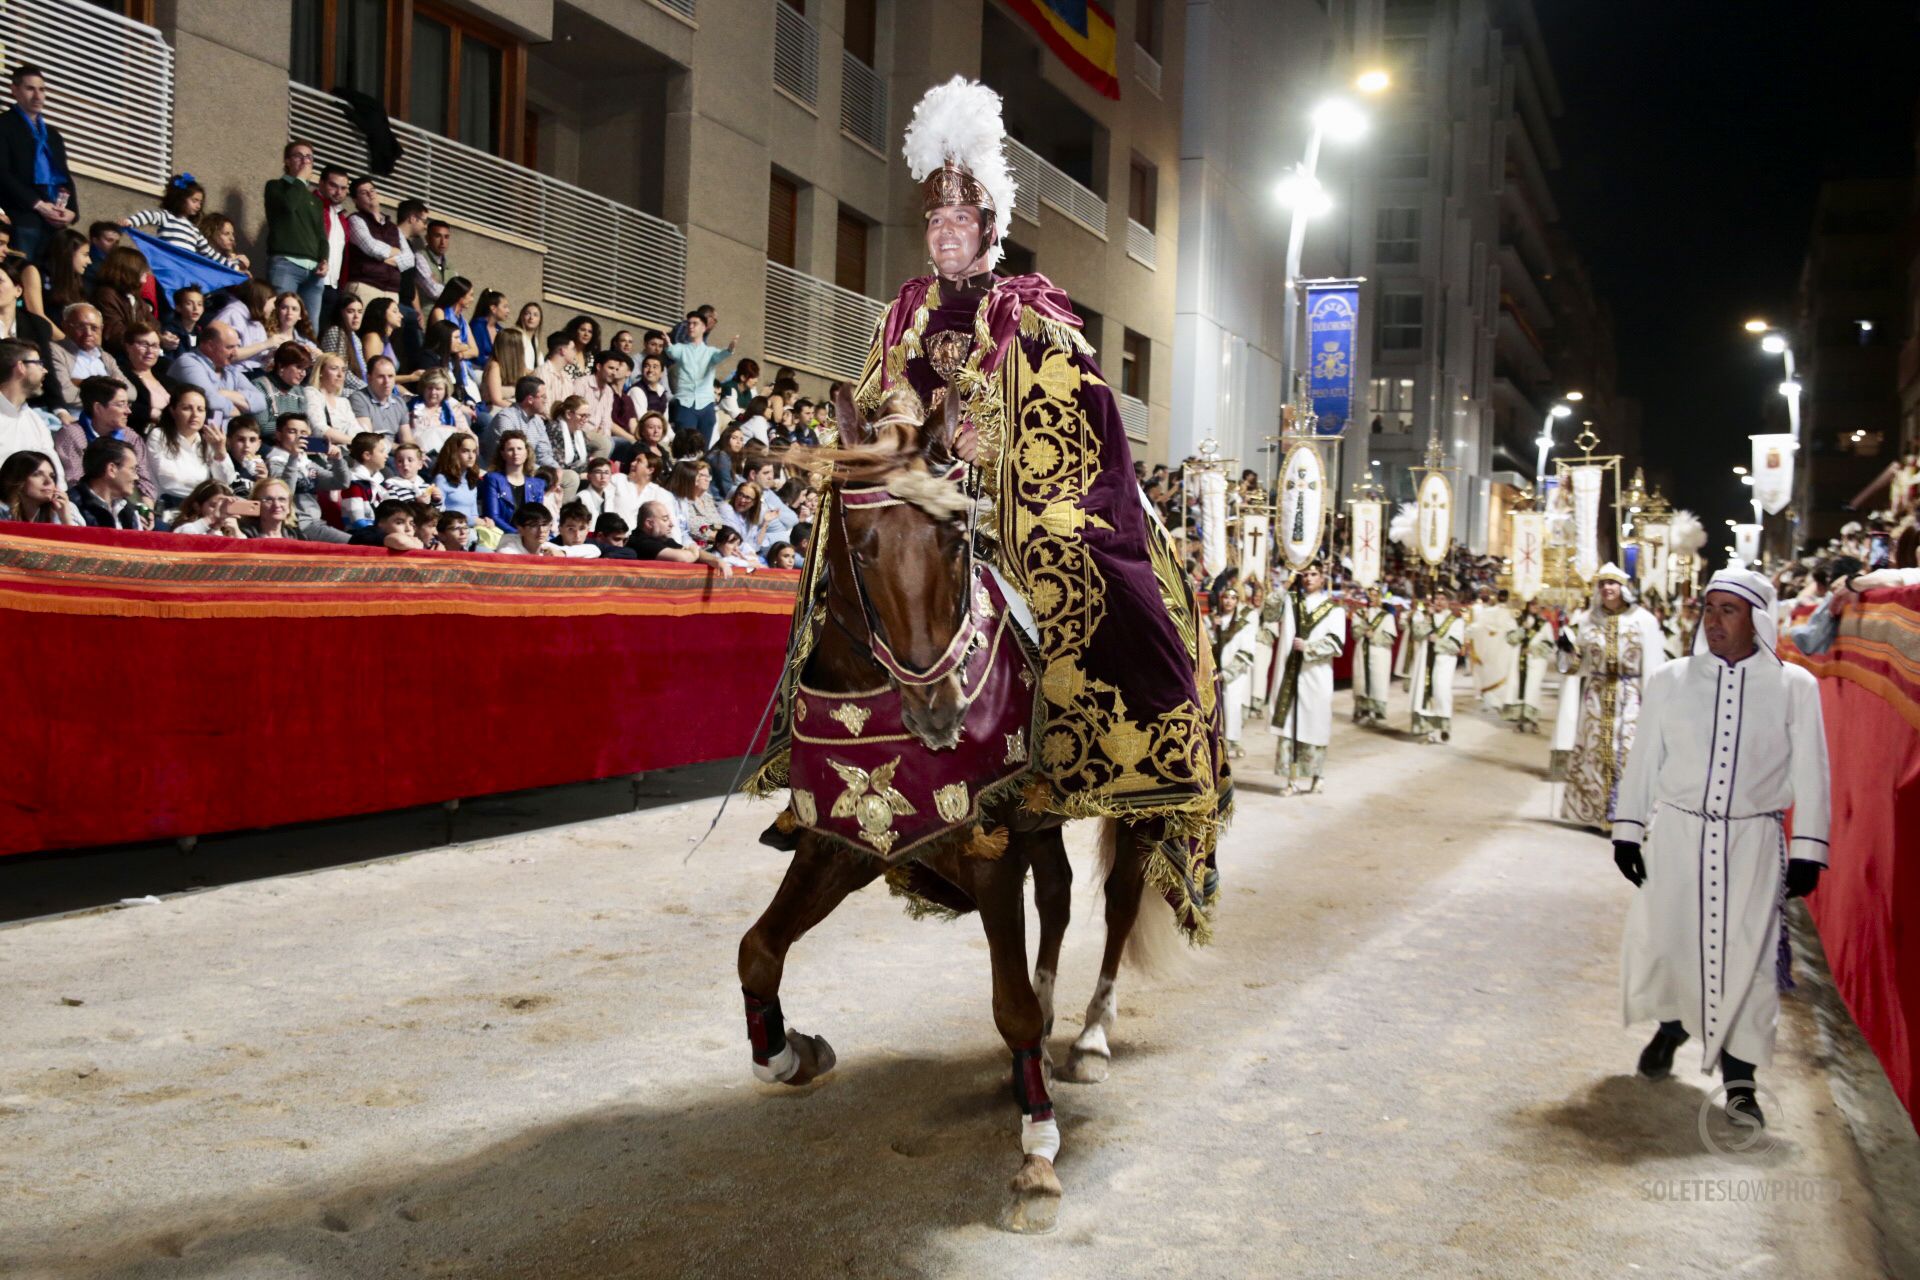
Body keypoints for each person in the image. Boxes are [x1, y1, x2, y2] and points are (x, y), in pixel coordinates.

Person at [1612, 567, 1830, 1130]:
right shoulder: (1669, 680)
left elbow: (1813, 772)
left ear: (1758, 620)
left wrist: (1808, 848)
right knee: (1673, 945)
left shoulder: (1794, 687)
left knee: (1749, 962)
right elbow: (1644, 762)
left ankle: (1740, 1083)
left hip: (1752, 844)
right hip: (1679, 837)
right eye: (1708, 609)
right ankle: (1671, 1030)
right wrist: (1629, 830)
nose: (1713, 621)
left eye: (1728, 611)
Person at [1562, 564, 1668, 832]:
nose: (1607, 588)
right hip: (1597, 694)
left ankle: (1630, 816)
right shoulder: (1587, 619)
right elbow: (1577, 666)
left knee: (1629, 752)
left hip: (1631, 693)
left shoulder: (1644, 620)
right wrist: (1567, 649)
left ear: (1623, 587)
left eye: (1613, 583)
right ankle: (1597, 812)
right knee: (1596, 751)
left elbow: (1654, 665)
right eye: (1603, 583)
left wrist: (1654, 703)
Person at [1269, 563, 1347, 793]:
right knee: (1292, 726)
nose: (1308, 578)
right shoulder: (1291, 602)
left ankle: (1317, 775)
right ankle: (1291, 779)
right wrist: (1287, 581)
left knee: (1315, 724)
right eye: (1305, 575)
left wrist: (1309, 647)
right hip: (1291, 674)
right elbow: (1270, 611)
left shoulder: (1334, 610)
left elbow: (1336, 643)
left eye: (1314, 574)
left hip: (1317, 675)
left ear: (1323, 579)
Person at [0, 66, 77, 266]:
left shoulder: (53, 135)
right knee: (22, 271)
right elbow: (2, 173)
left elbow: (65, 176)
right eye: (30, 89)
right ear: (14, 90)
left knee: (52, 279)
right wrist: (38, 205)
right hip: (23, 215)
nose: (37, 96)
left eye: (42, 90)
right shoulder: (5, 125)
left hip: (54, 220)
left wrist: (72, 211)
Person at [52, 374, 156, 503]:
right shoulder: (72, 435)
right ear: (98, 408)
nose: (128, 411)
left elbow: (144, 481)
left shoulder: (131, 437)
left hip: (128, 506)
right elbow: (75, 482)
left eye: (128, 404)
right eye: (120, 404)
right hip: (87, 507)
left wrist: (146, 512)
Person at [121, 173, 246, 270]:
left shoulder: (194, 230)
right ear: (181, 199)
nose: (198, 206)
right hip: (168, 266)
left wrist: (233, 265)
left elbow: (210, 254)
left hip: (185, 271)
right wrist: (131, 222)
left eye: (200, 203)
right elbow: (148, 215)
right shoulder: (166, 217)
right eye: (194, 200)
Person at [146, 386, 233, 520]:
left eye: (200, 409)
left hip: (200, 510)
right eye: (187, 408)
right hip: (168, 509)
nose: (195, 414)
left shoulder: (208, 442)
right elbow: (170, 478)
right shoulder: (159, 435)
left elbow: (224, 482)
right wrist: (200, 488)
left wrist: (220, 451)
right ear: (173, 411)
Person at [663, 309, 736, 443]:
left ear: (704, 327)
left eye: (695, 323)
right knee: (685, 447)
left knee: (703, 450)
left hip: (706, 404)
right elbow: (672, 352)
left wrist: (729, 350)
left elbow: (719, 356)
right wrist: (667, 345)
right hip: (685, 403)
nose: (690, 327)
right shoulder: (681, 348)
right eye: (688, 324)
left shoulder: (710, 352)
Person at [0, 336, 63, 486]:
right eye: (39, 363)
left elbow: (57, 478)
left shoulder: (35, 421)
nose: (45, 370)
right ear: (21, 367)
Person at [341, 176, 413, 307]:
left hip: (391, 291)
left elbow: (410, 259)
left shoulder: (393, 227)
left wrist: (385, 259)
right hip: (365, 286)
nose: (370, 194)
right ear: (355, 200)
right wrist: (396, 252)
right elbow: (371, 247)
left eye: (372, 190)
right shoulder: (355, 220)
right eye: (364, 192)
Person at [1207, 580, 1258, 758]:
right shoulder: (1215, 619)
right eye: (1226, 597)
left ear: (1237, 601)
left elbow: (1246, 650)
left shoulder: (1243, 623)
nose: (1228, 601)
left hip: (1234, 673)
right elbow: (1208, 645)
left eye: (1232, 598)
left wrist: (1227, 673)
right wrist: (1214, 628)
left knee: (1232, 705)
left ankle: (1233, 742)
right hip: (1216, 671)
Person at [1409, 587, 1465, 745]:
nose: (1439, 602)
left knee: (1441, 691)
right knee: (1425, 694)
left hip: (1444, 661)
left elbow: (1455, 646)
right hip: (1426, 661)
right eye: (1437, 599)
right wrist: (1428, 617)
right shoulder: (1428, 617)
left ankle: (1444, 726)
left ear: (1448, 602)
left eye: (1442, 599)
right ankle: (1429, 731)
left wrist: (1437, 641)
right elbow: (1417, 633)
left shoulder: (1456, 621)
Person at [48, 303, 124, 420]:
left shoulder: (105, 356)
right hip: (75, 421)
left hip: (109, 423)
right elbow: (66, 395)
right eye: (81, 327)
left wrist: (81, 383)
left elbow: (131, 392)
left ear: (101, 329)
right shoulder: (55, 350)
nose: (88, 333)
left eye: (94, 328)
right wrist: (110, 396)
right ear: (65, 326)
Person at [88, 244, 157, 353]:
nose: (145, 279)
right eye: (142, 272)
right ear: (129, 271)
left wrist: (163, 337)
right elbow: (115, 334)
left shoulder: (135, 298)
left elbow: (154, 324)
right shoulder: (107, 295)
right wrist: (146, 340)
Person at [1501, 599, 1556, 733]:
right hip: (1517, 660)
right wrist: (1522, 630)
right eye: (1532, 604)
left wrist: (1534, 650)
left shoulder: (1544, 624)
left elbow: (1550, 645)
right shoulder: (1516, 621)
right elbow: (1509, 639)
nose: (1535, 607)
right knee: (1518, 689)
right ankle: (1519, 721)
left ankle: (1533, 721)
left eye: (1537, 604)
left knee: (1533, 689)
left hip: (1536, 661)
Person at [68, 435, 145, 529]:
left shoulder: (129, 511)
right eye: (132, 469)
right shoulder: (71, 507)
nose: (136, 477)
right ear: (112, 469)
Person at [633, 499, 729, 573]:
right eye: (665, 519)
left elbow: (695, 554)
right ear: (649, 524)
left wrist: (716, 560)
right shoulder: (640, 541)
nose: (671, 524)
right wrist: (694, 548)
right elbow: (685, 558)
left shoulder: (663, 539)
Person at [1350, 587, 1397, 726]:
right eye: (1370, 595)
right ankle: (1362, 709)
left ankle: (1376, 711)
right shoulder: (1359, 614)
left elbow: (1390, 638)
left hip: (1379, 653)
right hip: (1362, 650)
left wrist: (1374, 636)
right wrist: (1364, 630)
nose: (1372, 598)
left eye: (1376, 595)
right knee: (1361, 680)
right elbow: (1354, 633)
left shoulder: (1387, 616)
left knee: (1377, 680)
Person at [479, 430, 545, 527]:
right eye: (510, 449)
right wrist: (518, 534)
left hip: (529, 535)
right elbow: (493, 516)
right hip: (504, 535)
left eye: (519, 448)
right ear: (503, 454)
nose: (515, 453)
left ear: (526, 452)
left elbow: (538, 517)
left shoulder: (538, 484)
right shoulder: (492, 479)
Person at [0, 448, 76, 523]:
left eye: (52, 476)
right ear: (16, 478)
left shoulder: (61, 510)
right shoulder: (2, 513)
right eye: (37, 474)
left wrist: (65, 519)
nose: (49, 481)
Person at [430, 431, 484, 525]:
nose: (471, 456)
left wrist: (485, 523)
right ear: (453, 453)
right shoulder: (441, 479)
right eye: (465, 451)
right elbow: (439, 514)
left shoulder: (471, 480)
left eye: (474, 451)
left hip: (469, 531)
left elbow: (474, 514)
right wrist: (474, 521)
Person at [339, 431, 390, 528]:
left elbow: (393, 509)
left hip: (377, 530)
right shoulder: (354, 483)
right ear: (367, 455)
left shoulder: (379, 481)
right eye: (382, 451)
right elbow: (357, 521)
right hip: (360, 535)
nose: (386, 455)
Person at [350, 354, 408, 440]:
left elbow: (407, 439)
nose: (387, 381)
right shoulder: (359, 399)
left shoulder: (399, 402)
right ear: (369, 378)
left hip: (396, 452)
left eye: (390, 376)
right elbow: (368, 440)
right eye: (381, 376)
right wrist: (398, 449)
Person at [668, 457, 722, 545]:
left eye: (708, 476)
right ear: (691, 476)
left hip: (716, 542)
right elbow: (693, 527)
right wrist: (719, 537)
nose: (706, 479)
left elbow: (718, 523)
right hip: (697, 544)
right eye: (702, 475)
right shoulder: (683, 498)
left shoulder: (707, 498)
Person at [347, 497, 425, 550]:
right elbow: (400, 541)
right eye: (399, 523)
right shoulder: (367, 533)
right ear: (380, 523)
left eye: (411, 523)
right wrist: (418, 545)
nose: (408, 529)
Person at [491, 501, 565, 556]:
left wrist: (563, 554)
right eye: (534, 525)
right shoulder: (508, 550)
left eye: (545, 525)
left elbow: (575, 550)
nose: (541, 530)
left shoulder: (547, 547)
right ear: (520, 529)